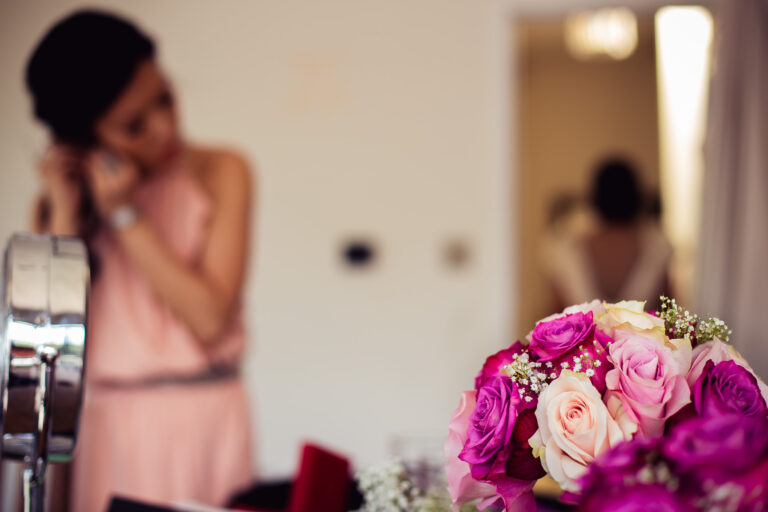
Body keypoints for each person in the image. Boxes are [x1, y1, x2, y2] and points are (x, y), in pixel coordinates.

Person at [26, 9, 255, 511]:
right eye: (133, 125)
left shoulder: (222, 170)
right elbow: (48, 342)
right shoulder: (58, 205)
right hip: (106, 431)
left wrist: (127, 217)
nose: (165, 127)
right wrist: (66, 214)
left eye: (166, 98)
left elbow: (210, 318)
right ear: (86, 138)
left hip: (205, 421)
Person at [542, 158, 672, 312]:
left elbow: (554, 317)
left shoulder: (566, 250)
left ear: (594, 197)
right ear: (637, 196)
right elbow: (668, 313)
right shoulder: (656, 247)